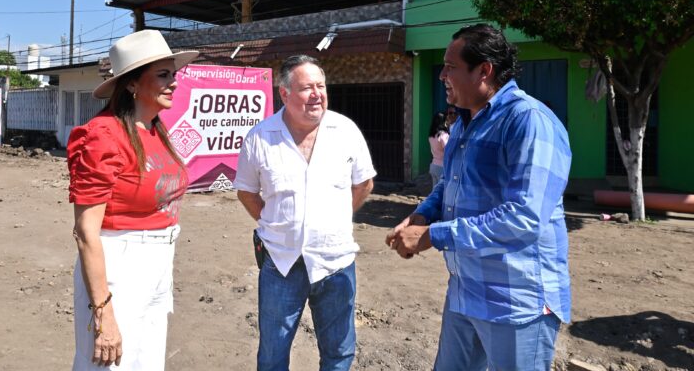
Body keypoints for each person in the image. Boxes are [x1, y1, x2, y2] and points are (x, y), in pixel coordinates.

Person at [386, 24, 572, 371]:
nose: (442, 74)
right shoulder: (465, 123)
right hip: (465, 291)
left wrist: (433, 236)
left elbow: (524, 218)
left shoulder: (528, 122)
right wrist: (422, 216)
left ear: (484, 70)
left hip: (517, 303)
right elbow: (450, 184)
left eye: (450, 66)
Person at [234, 55, 376, 371]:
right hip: (282, 262)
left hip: (335, 262)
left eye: (320, 86)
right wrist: (277, 224)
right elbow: (246, 191)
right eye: (306, 87)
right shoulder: (260, 137)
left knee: (339, 352)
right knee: (272, 354)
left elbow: (363, 184)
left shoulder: (345, 130)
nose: (317, 94)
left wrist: (333, 219)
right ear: (284, 93)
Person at [67, 30, 197, 370]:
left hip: (158, 261)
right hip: (118, 265)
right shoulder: (103, 135)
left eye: (174, 74)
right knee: (108, 363)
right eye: (163, 75)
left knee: (146, 362)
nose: (174, 83)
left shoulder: (154, 130)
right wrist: (104, 310)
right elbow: (85, 232)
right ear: (132, 84)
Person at [427, 112, 449, 187]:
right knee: (442, 193)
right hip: (442, 166)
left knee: (435, 191)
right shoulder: (443, 135)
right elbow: (448, 150)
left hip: (433, 165)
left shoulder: (431, 136)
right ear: (443, 122)